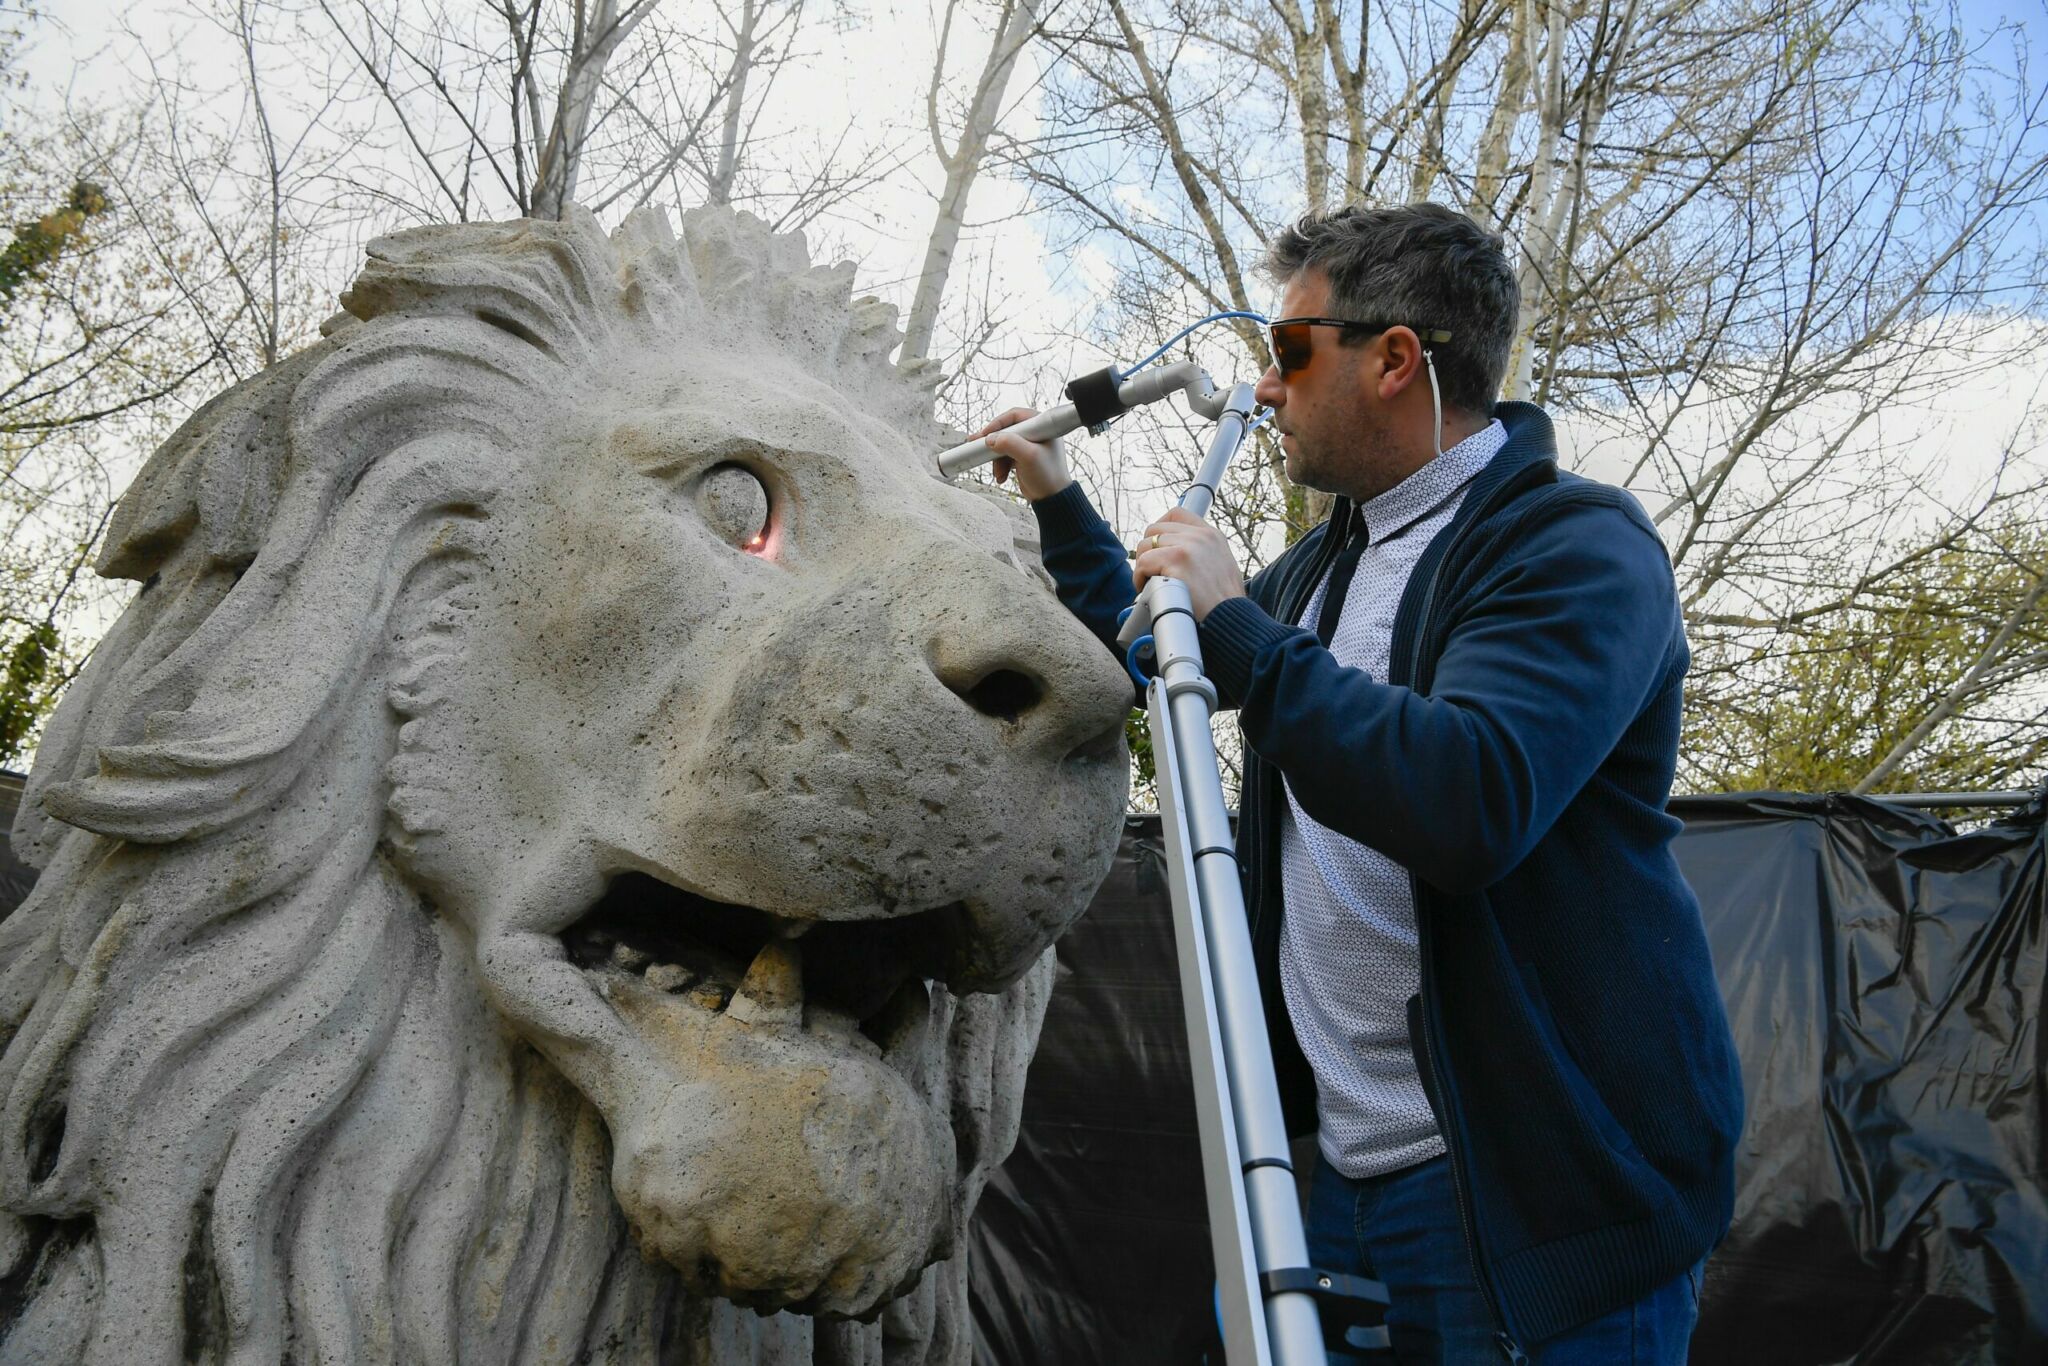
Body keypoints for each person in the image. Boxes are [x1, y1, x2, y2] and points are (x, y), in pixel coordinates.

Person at [971, 203, 1744, 1364]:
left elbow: (1470, 796)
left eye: (1288, 351)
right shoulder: (1330, 561)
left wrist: (1242, 629)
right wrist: (1053, 499)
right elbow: (1138, 654)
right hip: (1333, 1167)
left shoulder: (1573, 547)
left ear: (1393, 360)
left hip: (1519, 1198)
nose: (1267, 390)